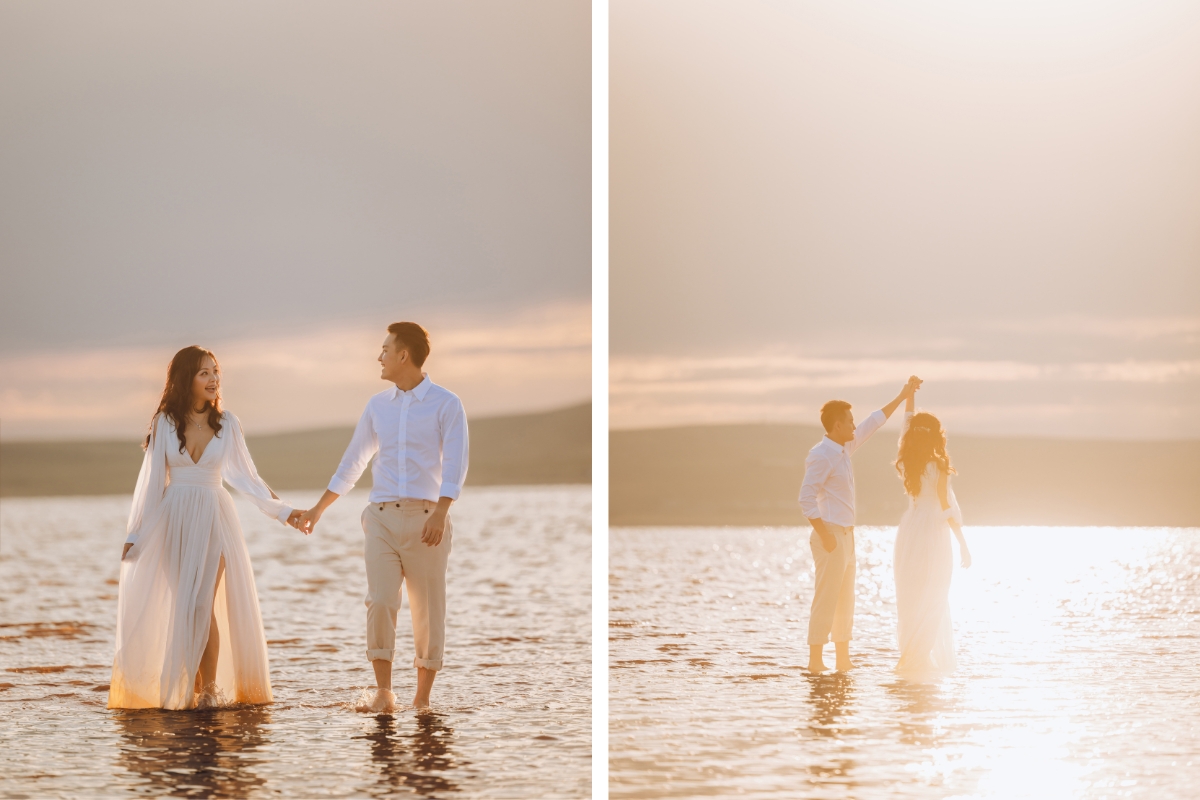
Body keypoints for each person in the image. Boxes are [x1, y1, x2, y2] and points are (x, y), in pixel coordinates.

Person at [108, 346, 303, 710]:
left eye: (216, 372)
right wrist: (136, 535)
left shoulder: (228, 423)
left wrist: (284, 511)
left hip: (214, 516)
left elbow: (247, 477)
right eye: (204, 373)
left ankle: (210, 690)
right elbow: (151, 483)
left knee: (201, 603)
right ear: (186, 379)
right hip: (173, 519)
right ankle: (191, 689)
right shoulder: (165, 422)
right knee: (187, 606)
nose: (214, 379)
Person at [296, 322, 468, 712]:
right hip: (381, 519)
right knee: (380, 601)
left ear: (403, 355)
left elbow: (456, 462)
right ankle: (384, 694)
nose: (380, 356)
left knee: (428, 608)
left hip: (429, 519)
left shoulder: (446, 403)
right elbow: (354, 461)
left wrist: (442, 511)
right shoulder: (377, 406)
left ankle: (422, 700)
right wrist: (318, 509)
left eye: (385, 349)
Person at [799, 376, 922, 673]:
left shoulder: (844, 448)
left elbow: (873, 422)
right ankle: (815, 661)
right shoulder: (821, 454)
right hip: (830, 534)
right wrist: (825, 535)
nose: (854, 426)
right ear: (836, 426)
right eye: (849, 422)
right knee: (826, 599)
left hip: (848, 536)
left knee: (845, 601)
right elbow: (805, 498)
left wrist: (904, 395)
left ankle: (843, 660)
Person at [892, 397, 971, 680]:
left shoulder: (907, 459)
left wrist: (909, 395)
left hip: (910, 529)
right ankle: (920, 656)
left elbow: (905, 427)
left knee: (910, 592)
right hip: (933, 532)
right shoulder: (937, 464)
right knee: (934, 592)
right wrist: (962, 540)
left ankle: (914, 654)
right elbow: (944, 504)